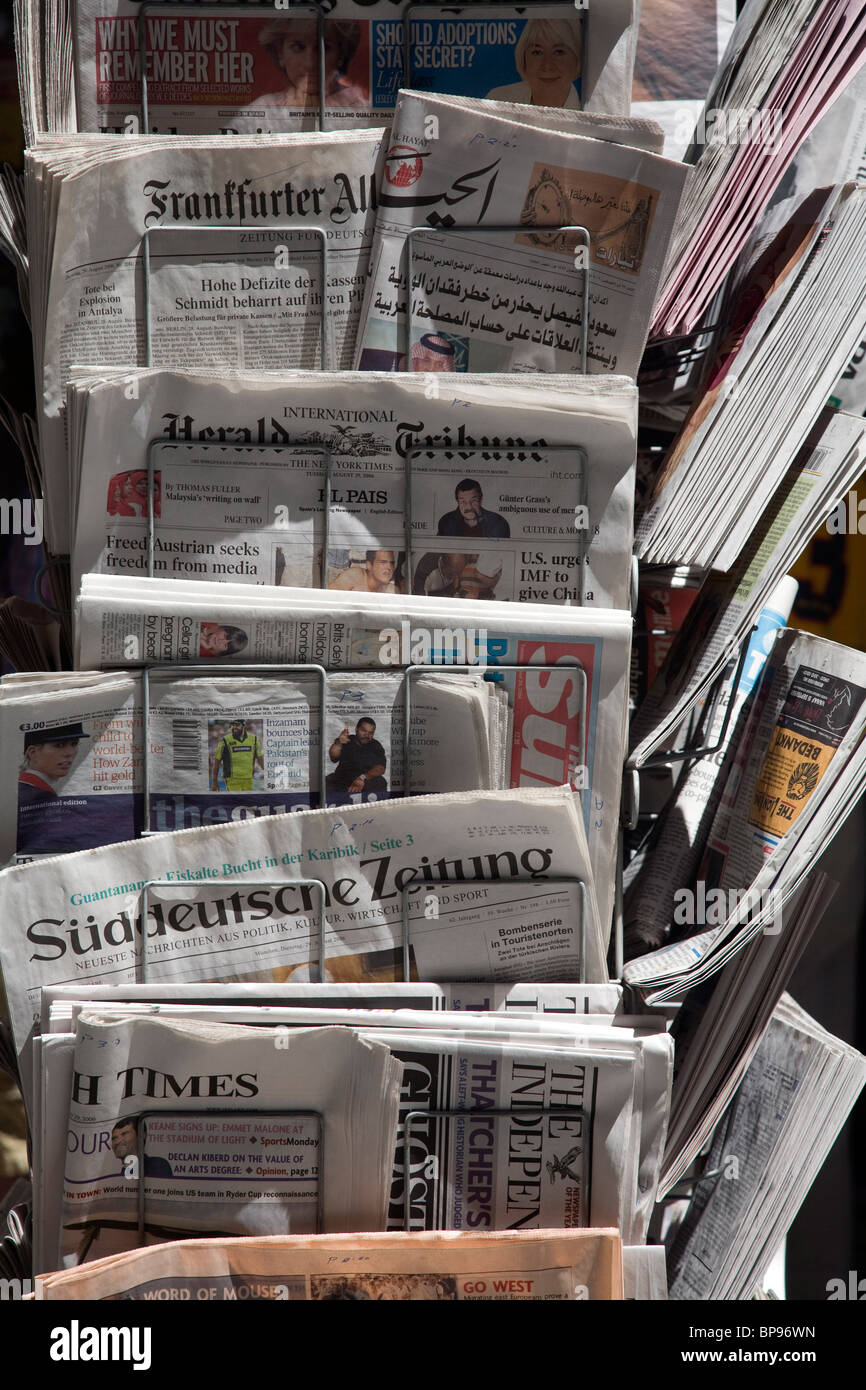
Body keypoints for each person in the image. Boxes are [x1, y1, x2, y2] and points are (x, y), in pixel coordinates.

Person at [256, 18, 367, 109]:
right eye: (298, 47)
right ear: (280, 53)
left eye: (323, 48)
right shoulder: (262, 109)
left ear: (341, 54)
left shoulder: (365, 108)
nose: (310, 64)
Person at [485, 17, 583, 108]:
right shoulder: (498, 100)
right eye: (537, 52)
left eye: (558, 52)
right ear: (523, 59)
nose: (547, 65)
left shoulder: (589, 107)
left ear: (577, 58)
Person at [18, 723, 89, 804]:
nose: (70, 753)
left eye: (74, 744)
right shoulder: (38, 794)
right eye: (59, 745)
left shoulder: (26, 786)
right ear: (33, 753)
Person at [326, 717, 387, 801]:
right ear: (356, 729)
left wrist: (361, 778)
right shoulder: (347, 740)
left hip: (365, 780)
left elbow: (381, 768)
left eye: (370, 733)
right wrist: (338, 743)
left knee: (380, 782)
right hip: (343, 779)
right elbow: (333, 757)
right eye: (364, 731)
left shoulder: (375, 745)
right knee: (328, 780)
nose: (367, 735)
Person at [437, 480, 511, 539]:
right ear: (457, 501)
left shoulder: (498, 523)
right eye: (463, 502)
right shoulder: (446, 522)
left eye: (473, 501)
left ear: (480, 499)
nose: (469, 507)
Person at [211, 719, 264, 792]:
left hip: (248, 779)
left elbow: (260, 758)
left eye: (237, 725)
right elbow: (217, 762)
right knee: (236, 801)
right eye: (233, 725)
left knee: (247, 802)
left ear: (244, 726)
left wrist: (268, 773)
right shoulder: (225, 740)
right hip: (232, 780)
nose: (234, 727)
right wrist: (214, 782)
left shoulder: (254, 739)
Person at [329, 549, 400, 594]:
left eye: (392, 563)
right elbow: (328, 599)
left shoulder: (392, 591)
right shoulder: (354, 577)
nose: (389, 567)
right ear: (369, 565)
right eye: (383, 562)